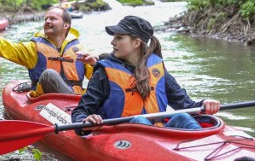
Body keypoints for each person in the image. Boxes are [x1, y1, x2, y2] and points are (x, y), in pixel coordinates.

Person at [71, 15, 220, 132]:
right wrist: (86, 120)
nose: (112, 42)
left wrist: (204, 104)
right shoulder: (104, 72)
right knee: (140, 121)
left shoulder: (157, 69)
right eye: (114, 37)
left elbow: (185, 105)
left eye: (119, 38)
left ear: (136, 43)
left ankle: (204, 150)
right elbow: (81, 111)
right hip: (120, 135)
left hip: (157, 134)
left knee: (182, 116)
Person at [0, 0, 97, 95]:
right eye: (46, 19)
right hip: (46, 100)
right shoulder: (33, 49)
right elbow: (2, 47)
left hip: (76, 101)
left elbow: (98, 77)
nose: (47, 22)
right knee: (49, 74)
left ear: (66, 25)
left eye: (53, 19)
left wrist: (96, 63)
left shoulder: (78, 50)